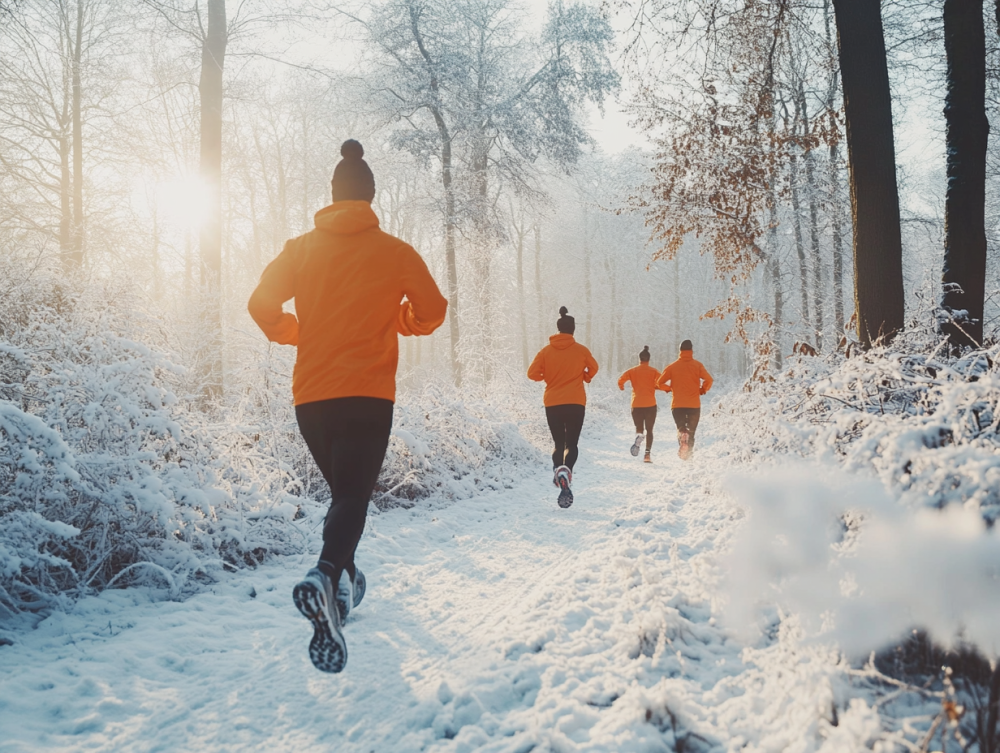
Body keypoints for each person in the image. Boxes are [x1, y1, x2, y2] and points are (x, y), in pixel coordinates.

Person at [248, 139, 447, 673]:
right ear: (371, 198)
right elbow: (433, 311)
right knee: (355, 496)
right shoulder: (395, 252)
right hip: (367, 395)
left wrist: (297, 332)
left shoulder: (300, 250)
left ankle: (342, 589)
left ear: (332, 197)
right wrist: (400, 321)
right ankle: (325, 572)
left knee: (344, 498)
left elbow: (259, 303)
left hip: (311, 398)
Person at [527, 307, 599, 508]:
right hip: (576, 402)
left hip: (553, 403)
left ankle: (559, 470)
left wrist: (548, 377)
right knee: (572, 444)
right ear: (573, 330)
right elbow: (594, 367)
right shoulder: (581, 350)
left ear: (557, 330)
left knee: (559, 443)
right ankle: (567, 469)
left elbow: (531, 373)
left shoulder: (545, 351)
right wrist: (585, 376)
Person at [656, 339, 713, 460]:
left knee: (681, 428)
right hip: (694, 405)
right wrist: (703, 389)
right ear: (691, 351)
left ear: (680, 351)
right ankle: (689, 457)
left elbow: (659, 382)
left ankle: (683, 435)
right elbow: (709, 380)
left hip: (677, 405)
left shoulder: (672, 366)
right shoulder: (697, 365)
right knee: (691, 431)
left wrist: (669, 388)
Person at [617, 345, 663, 463]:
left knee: (639, 428)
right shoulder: (653, 371)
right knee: (650, 430)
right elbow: (662, 382)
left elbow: (621, 379)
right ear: (649, 359)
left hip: (636, 404)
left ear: (639, 359)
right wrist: (662, 388)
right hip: (650, 405)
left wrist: (621, 387)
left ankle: (639, 436)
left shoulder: (632, 371)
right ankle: (647, 455)